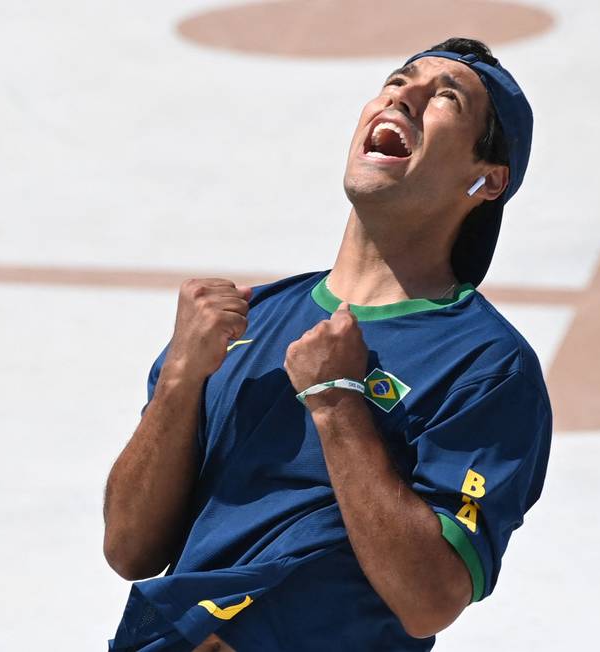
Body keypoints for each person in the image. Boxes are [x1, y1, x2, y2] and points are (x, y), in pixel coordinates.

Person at [103, 37, 552, 651]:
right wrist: (181, 377)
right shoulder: (246, 320)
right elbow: (128, 548)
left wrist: (336, 401)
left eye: (444, 97)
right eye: (398, 79)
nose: (404, 95)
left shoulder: (486, 365)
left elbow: (431, 600)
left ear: (486, 179)